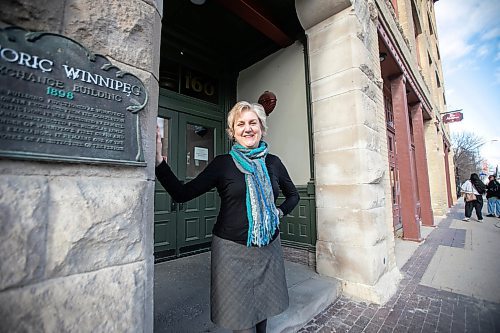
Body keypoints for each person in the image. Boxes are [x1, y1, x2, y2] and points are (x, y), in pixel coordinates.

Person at [155, 101, 299, 333]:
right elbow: (182, 194)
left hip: (268, 247)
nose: (248, 128)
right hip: (231, 251)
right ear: (233, 132)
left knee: (263, 309)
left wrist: (278, 212)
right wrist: (159, 162)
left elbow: (293, 195)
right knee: (238, 319)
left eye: (253, 123)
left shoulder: (273, 162)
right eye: (240, 124)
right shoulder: (223, 164)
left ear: (261, 127)